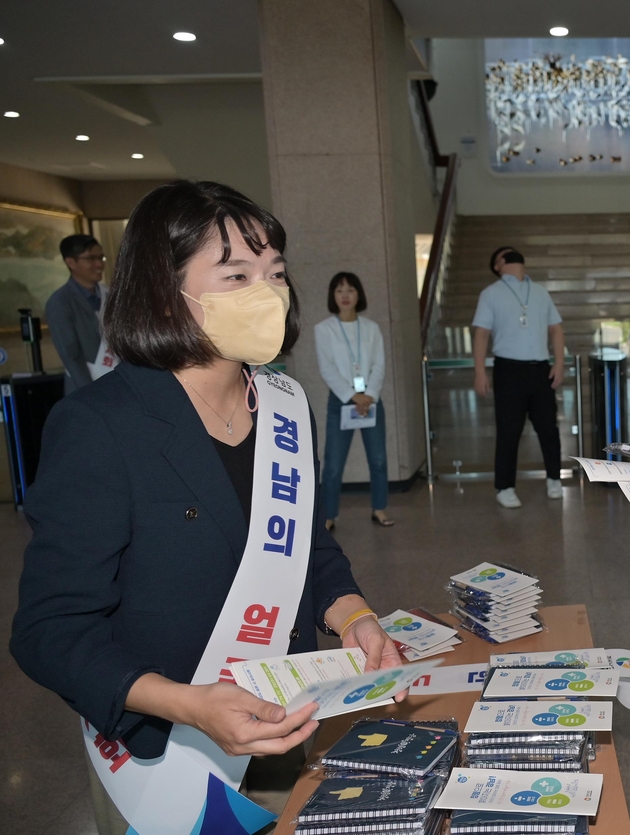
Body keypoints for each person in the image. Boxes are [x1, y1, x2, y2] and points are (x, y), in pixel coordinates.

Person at [10, 181, 402, 834]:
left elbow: (307, 548)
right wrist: (188, 704)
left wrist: (354, 614)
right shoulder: (101, 424)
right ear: (166, 289)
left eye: (275, 271)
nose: (269, 291)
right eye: (238, 273)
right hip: (161, 761)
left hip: (278, 729)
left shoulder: (284, 406)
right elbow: (48, 631)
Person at [472, 245, 566, 509]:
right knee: (509, 431)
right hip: (508, 370)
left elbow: (556, 329)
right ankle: (505, 486)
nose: (512, 256)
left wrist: (559, 363)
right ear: (497, 265)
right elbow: (481, 333)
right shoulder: (490, 293)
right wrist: (479, 370)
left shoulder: (539, 291)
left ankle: (554, 479)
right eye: (505, 254)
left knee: (548, 428)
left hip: (540, 369)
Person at [315, 271, 393, 529]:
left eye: (350, 290)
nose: (345, 295)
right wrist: (353, 396)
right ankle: (329, 515)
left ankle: (379, 509)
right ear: (332, 296)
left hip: (371, 400)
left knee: (379, 459)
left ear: (359, 293)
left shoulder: (371, 328)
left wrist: (368, 395)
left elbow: (379, 364)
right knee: (334, 464)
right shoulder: (323, 329)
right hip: (341, 402)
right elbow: (327, 369)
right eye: (339, 290)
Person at [44, 233, 114, 392]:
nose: (99, 264)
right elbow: (71, 356)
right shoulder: (60, 302)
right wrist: (90, 394)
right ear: (71, 262)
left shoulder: (110, 294)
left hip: (118, 383)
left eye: (101, 257)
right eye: (91, 258)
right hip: (85, 388)